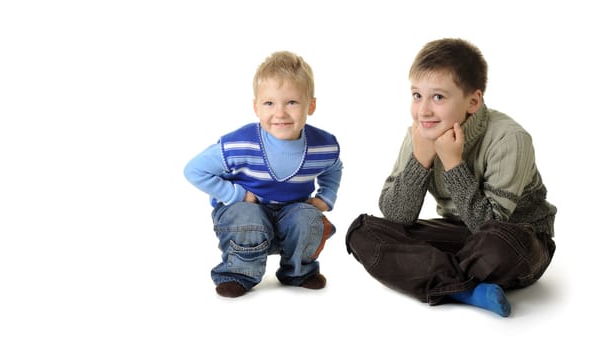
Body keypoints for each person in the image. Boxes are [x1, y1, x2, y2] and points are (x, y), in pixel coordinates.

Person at [345, 38, 556, 317]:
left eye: (438, 97)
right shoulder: (420, 134)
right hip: (459, 233)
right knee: (363, 232)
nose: (424, 110)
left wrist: (453, 163)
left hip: (518, 238)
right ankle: (466, 290)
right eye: (417, 95)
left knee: (497, 246)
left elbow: (488, 226)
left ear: (473, 101)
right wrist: (420, 160)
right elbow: (396, 218)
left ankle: (431, 273)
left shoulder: (509, 138)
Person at [184, 51, 343, 298]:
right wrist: (236, 194)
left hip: (290, 215)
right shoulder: (239, 144)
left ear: (310, 105)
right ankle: (238, 273)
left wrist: (326, 197)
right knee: (248, 216)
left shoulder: (323, 145)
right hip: (244, 215)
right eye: (269, 103)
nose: (280, 113)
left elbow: (333, 167)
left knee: (308, 218)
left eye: (291, 102)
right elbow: (194, 170)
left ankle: (298, 272)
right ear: (256, 107)